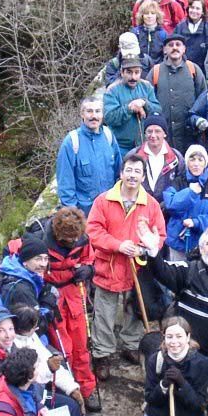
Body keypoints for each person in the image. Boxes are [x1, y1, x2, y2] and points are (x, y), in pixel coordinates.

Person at [85, 153, 166, 379]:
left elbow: (159, 234)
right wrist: (118, 245)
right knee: (104, 314)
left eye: (137, 171)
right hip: (108, 267)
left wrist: (142, 248)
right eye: (128, 170)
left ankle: (132, 345)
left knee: (134, 311)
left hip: (136, 269)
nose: (132, 175)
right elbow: (93, 231)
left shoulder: (150, 204)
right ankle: (102, 354)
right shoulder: (103, 200)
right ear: (121, 173)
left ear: (143, 176)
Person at [8, 306, 105, 416]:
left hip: (36, 391)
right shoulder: (14, 346)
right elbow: (29, 377)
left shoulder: (29, 338)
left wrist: (72, 387)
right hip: (29, 397)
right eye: (35, 327)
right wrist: (50, 368)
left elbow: (49, 364)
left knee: (71, 402)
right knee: (69, 407)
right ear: (29, 328)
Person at [138, 224, 208, 361]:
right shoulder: (187, 269)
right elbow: (161, 271)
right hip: (183, 353)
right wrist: (153, 251)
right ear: (201, 248)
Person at [41, 207, 99, 411]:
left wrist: (89, 270)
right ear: (58, 234)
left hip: (75, 293)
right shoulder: (41, 240)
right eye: (68, 239)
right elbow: (29, 265)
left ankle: (87, 388)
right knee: (63, 349)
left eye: (75, 238)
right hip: (53, 297)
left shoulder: (83, 238)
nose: (73, 242)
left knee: (82, 345)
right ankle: (69, 390)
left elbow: (92, 259)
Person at [56, 97, 122, 216]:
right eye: (89, 111)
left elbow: (119, 173)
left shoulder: (108, 136)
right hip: (85, 214)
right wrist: (74, 217)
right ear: (82, 114)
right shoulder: (71, 142)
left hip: (110, 210)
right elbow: (65, 185)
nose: (94, 116)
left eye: (98, 111)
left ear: (102, 114)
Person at [162, 144, 208, 261]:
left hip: (205, 244)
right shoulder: (178, 182)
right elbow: (171, 205)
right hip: (179, 242)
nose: (196, 163)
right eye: (192, 159)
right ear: (187, 162)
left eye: (200, 159)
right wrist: (190, 193)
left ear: (205, 162)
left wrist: (197, 222)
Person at [148, 34, 206, 153]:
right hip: (164, 135)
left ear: (184, 49)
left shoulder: (193, 69)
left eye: (178, 45)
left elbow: (203, 98)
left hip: (190, 133)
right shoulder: (156, 71)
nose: (175, 48)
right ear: (165, 50)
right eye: (170, 45)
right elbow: (148, 99)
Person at [0, 236, 60, 329]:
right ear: (25, 262)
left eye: (46, 259)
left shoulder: (14, 273)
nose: (43, 264)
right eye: (38, 259)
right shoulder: (21, 289)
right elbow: (35, 327)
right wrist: (47, 305)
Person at [103, 58, 161, 155]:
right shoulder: (112, 90)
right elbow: (109, 118)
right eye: (129, 72)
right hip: (120, 147)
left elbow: (158, 111)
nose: (133, 77)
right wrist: (129, 108)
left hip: (145, 145)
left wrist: (144, 103)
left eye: (136, 72)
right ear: (122, 72)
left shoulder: (146, 87)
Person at [133, 113, 184, 203]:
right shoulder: (134, 156)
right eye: (149, 131)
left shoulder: (176, 157)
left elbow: (182, 185)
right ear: (145, 133)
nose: (153, 135)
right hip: (140, 208)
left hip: (168, 211)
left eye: (157, 131)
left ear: (165, 134)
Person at [174, 0, 208, 71]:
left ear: (203, 11)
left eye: (197, 8)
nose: (194, 11)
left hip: (203, 71)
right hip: (182, 69)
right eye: (192, 7)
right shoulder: (179, 28)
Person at [133, 0, 168, 66]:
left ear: (157, 15)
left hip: (157, 69)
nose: (149, 16)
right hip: (139, 69)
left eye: (152, 13)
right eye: (146, 13)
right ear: (142, 16)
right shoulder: (135, 33)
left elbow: (166, 57)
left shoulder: (163, 34)